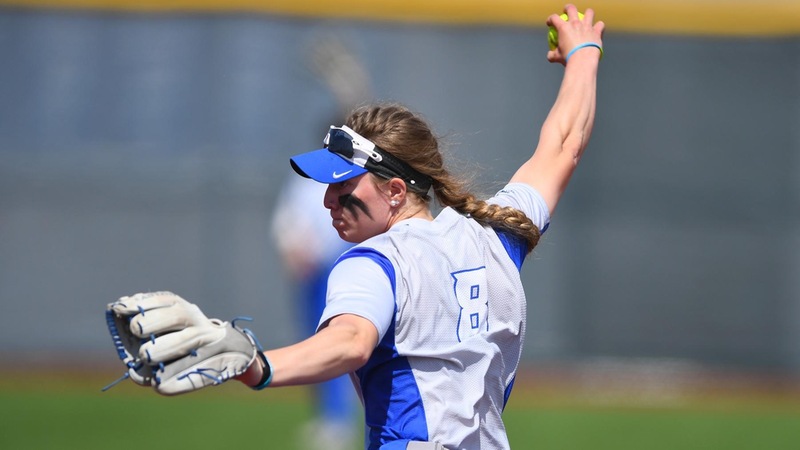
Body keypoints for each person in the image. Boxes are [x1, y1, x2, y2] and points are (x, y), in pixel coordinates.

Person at [107, 5, 604, 449]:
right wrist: (583, 54)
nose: (328, 199)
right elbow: (564, 145)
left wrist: (259, 365)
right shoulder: (497, 235)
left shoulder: (374, 264)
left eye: (344, 185)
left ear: (393, 191)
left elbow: (350, 343)